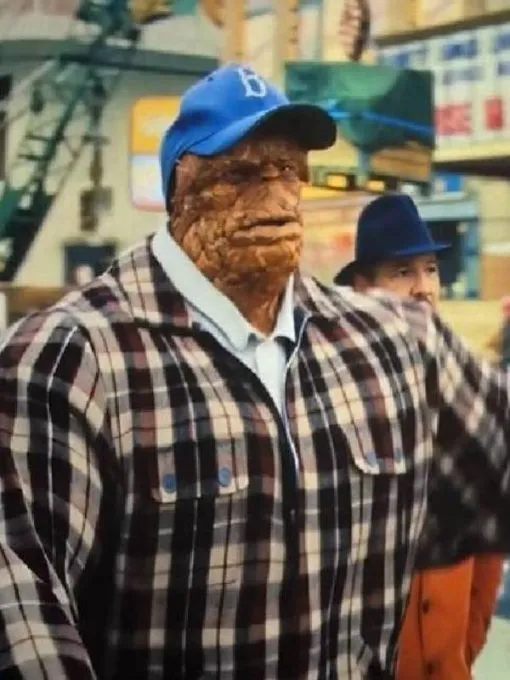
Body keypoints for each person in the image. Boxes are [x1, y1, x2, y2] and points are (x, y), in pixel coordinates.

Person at [1, 64, 510, 680]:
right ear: (182, 188)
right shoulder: (75, 357)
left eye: (289, 171)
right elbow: (21, 604)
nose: (275, 197)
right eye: (241, 175)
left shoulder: (388, 343)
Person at [334, 193, 504, 680]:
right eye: (402, 272)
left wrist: (463, 647)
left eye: (430, 270)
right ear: (362, 289)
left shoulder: (465, 390)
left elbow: (486, 548)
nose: (423, 288)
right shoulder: (335, 397)